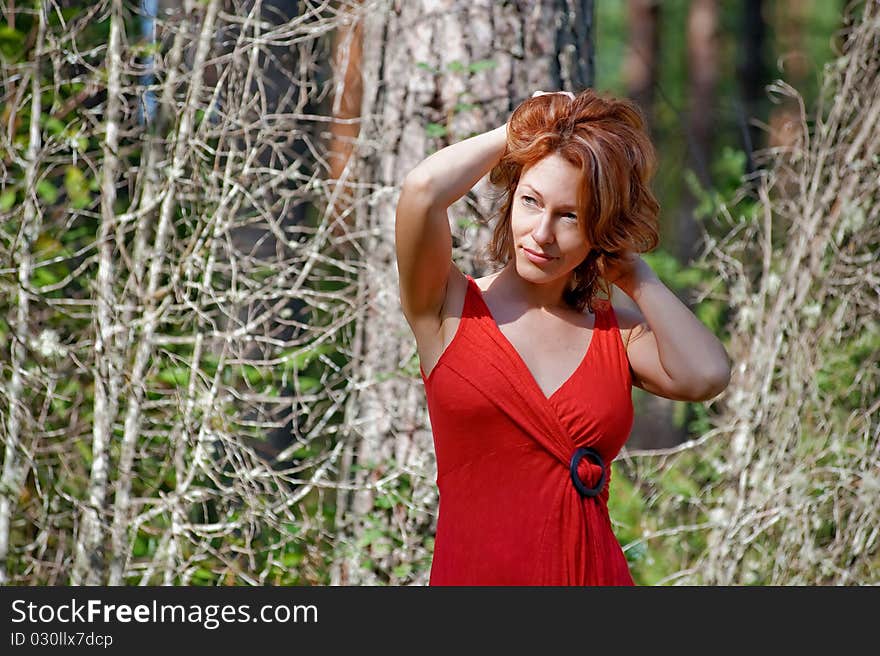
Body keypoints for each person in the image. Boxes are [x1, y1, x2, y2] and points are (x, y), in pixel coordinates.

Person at [394, 88, 732, 585]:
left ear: (600, 229)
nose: (542, 233)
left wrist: (637, 276)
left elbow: (707, 374)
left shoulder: (616, 337)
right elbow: (422, 190)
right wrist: (519, 133)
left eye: (570, 216)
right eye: (531, 202)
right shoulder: (447, 309)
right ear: (511, 199)